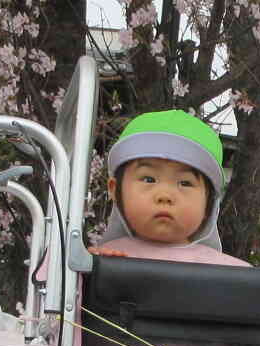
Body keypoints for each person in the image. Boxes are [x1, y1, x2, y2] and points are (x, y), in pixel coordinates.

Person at [90, 109, 249, 266]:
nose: (165, 195)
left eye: (185, 183)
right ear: (114, 189)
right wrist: (88, 274)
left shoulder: (229, 275)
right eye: (149, 179)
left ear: (210, 199)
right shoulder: (100, 262)